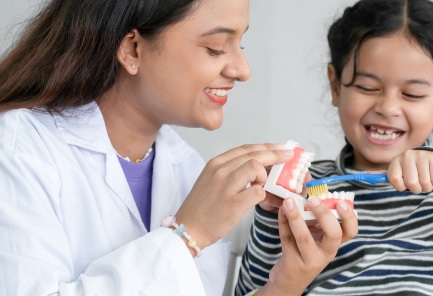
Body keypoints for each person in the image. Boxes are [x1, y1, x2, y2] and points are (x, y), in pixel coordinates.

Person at [0, 0, 358, 295]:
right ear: (132, 49)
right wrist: (188, 235)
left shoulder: (186, 167)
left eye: (241, 44)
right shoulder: (18, 149)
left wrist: (285, 282)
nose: (242, 69)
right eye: (216, 47)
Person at [236, 0, 433, 295]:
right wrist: (270, 213)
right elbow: (251, 291)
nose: (388, 107)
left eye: (412, 94)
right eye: (367, 87)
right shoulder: (309, 187)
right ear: (335, 86)